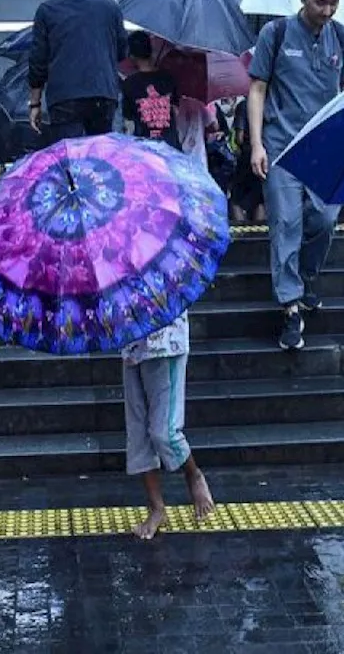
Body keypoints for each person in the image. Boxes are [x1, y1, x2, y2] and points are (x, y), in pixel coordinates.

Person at [120, 60, 215, 539]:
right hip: (130, 336)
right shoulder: (119, 220)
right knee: (140, 437)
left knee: (165, 431)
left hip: (166, 335)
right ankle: (156, 509)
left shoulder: (176, 206)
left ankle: (195, 475)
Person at [246, 0, 344, 350]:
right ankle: (291, 308)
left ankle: (306, 277)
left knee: (326, 219)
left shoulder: (342, 38)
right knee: (286, 224)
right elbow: (258, 89)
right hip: (281, 147)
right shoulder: (275, 34)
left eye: (334, 3)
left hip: (324, 148)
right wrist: (257, 144)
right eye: (320, 3)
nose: (327, 10)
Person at [28, 0, 129, 144]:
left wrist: (35, 103)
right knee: (101, 157)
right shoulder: (110, 8)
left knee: (71, 157)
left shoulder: (47, 10)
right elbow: (122, 52)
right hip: (103, 93)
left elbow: (38, 62)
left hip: (64, 96)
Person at [120, 30, 180, 147]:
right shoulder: (168, 79)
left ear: (131, 55)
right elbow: (176, 112)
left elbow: (128, 120)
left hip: (144, 149)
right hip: (170, 147)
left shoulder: (129, 84)